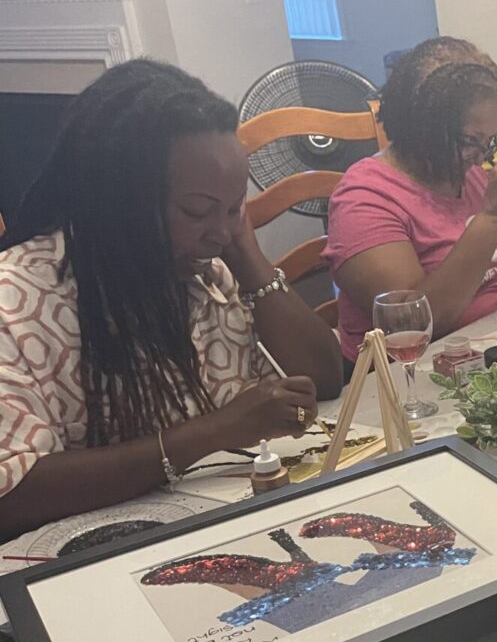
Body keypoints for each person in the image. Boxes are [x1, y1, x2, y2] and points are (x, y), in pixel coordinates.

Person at [0, 59, 343, 541]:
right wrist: (213, 433)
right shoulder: (15, 302)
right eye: (198, 210)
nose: (220, 232)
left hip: (218, 528)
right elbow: (13, 494)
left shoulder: (207, 271)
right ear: (119, 198)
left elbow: (325, 378)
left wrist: (248, 256)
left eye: (232, 208)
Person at [324, 37, 497, 360]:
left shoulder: (462, 173)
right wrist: (491, 217)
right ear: (419, 126)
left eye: (489, 141)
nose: (479, 158)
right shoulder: (364, 199)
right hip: (426, 370)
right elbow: (416, 324)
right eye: (469, 141)